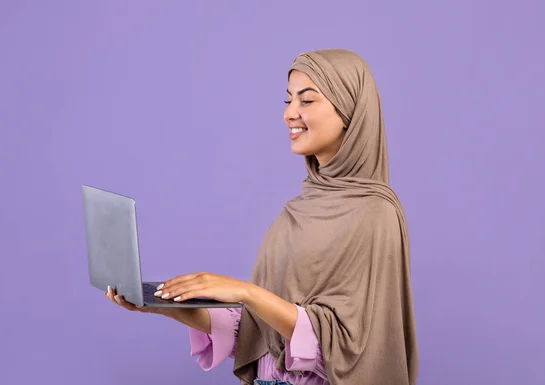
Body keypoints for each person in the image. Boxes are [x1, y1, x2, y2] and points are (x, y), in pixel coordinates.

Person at [106, 48, 419, 385]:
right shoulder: (298, 210)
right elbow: (260, 331)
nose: (289, 114)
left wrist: (247, 292)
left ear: (350, 112)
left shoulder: (376, 213)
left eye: (307, 100)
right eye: (288, 101)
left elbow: (351, 348)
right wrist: (160, 305)